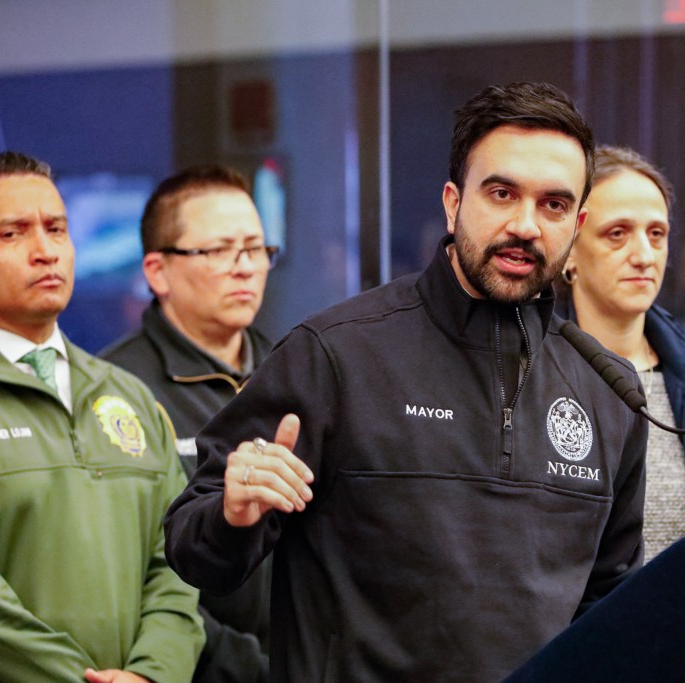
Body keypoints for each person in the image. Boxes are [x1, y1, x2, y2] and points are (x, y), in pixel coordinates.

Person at [163, 82, 647, 682]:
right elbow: (193, 549)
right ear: (452, 203)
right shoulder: (337, 355)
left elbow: (613, 607)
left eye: (552, 205)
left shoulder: (607, 391)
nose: (525, 224)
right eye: (501, 193)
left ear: (575, 224)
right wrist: (232, 513)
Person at [0, 151, 203, 682]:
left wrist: (154, 673)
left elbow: (175, 564)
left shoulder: (125, 393)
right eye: (12, 234)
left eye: (56, 229)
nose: (45, 251)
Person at [101, 165, 276, 682]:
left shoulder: (295, 370)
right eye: (220, 250)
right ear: (157, 272)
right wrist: (244, 667)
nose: (245, 268)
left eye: (257, 249)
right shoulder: (115, 390)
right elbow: (133, 571)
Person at [559, 145, 685, 561]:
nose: (644, 256)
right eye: (617, 233)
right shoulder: (531, 374)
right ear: (569, 252)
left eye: (656, 234)